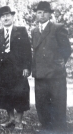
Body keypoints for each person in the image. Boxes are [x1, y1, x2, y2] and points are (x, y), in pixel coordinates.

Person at [31, 1, 71, 133]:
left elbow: (67, 49)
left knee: (58, 101)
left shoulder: (58, 27)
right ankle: (45, 126)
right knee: (41, 102)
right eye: (39, 12)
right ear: (36, 14)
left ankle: (59, 127)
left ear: (49, 14)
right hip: (40, 73)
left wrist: (59, 62)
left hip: (55, 74)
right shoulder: (34, 31)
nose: (42, 15)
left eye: (45, 12)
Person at [0, 6, 32, 130]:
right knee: (6, 93)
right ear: (0, 19)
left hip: (18, 69)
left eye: (8, 15)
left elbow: (27, 51)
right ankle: (11, 118)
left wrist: (26, 67)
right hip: (2, 70)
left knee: (20, 93)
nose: (6, 18)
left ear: (13, 17)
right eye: (3, 16)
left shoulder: (21, 30)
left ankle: (19, 120)